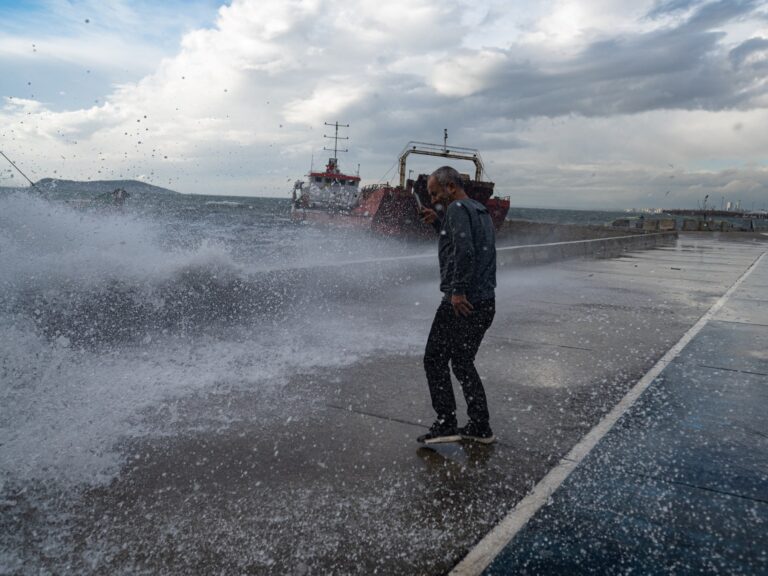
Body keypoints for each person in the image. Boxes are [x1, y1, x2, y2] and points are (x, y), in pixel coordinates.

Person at [417, 166, 497, 445]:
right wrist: (437, 223)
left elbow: (465, 250)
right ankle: (480, 425)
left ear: (450, 186)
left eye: (435, 192)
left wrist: (458, 292)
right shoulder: (478, 209)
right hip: (486, 302)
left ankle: (446, 422)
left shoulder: (456, 209)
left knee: (434, 358)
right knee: (462, 363)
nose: (433, 199)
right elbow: (463, 241)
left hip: (461, 302)